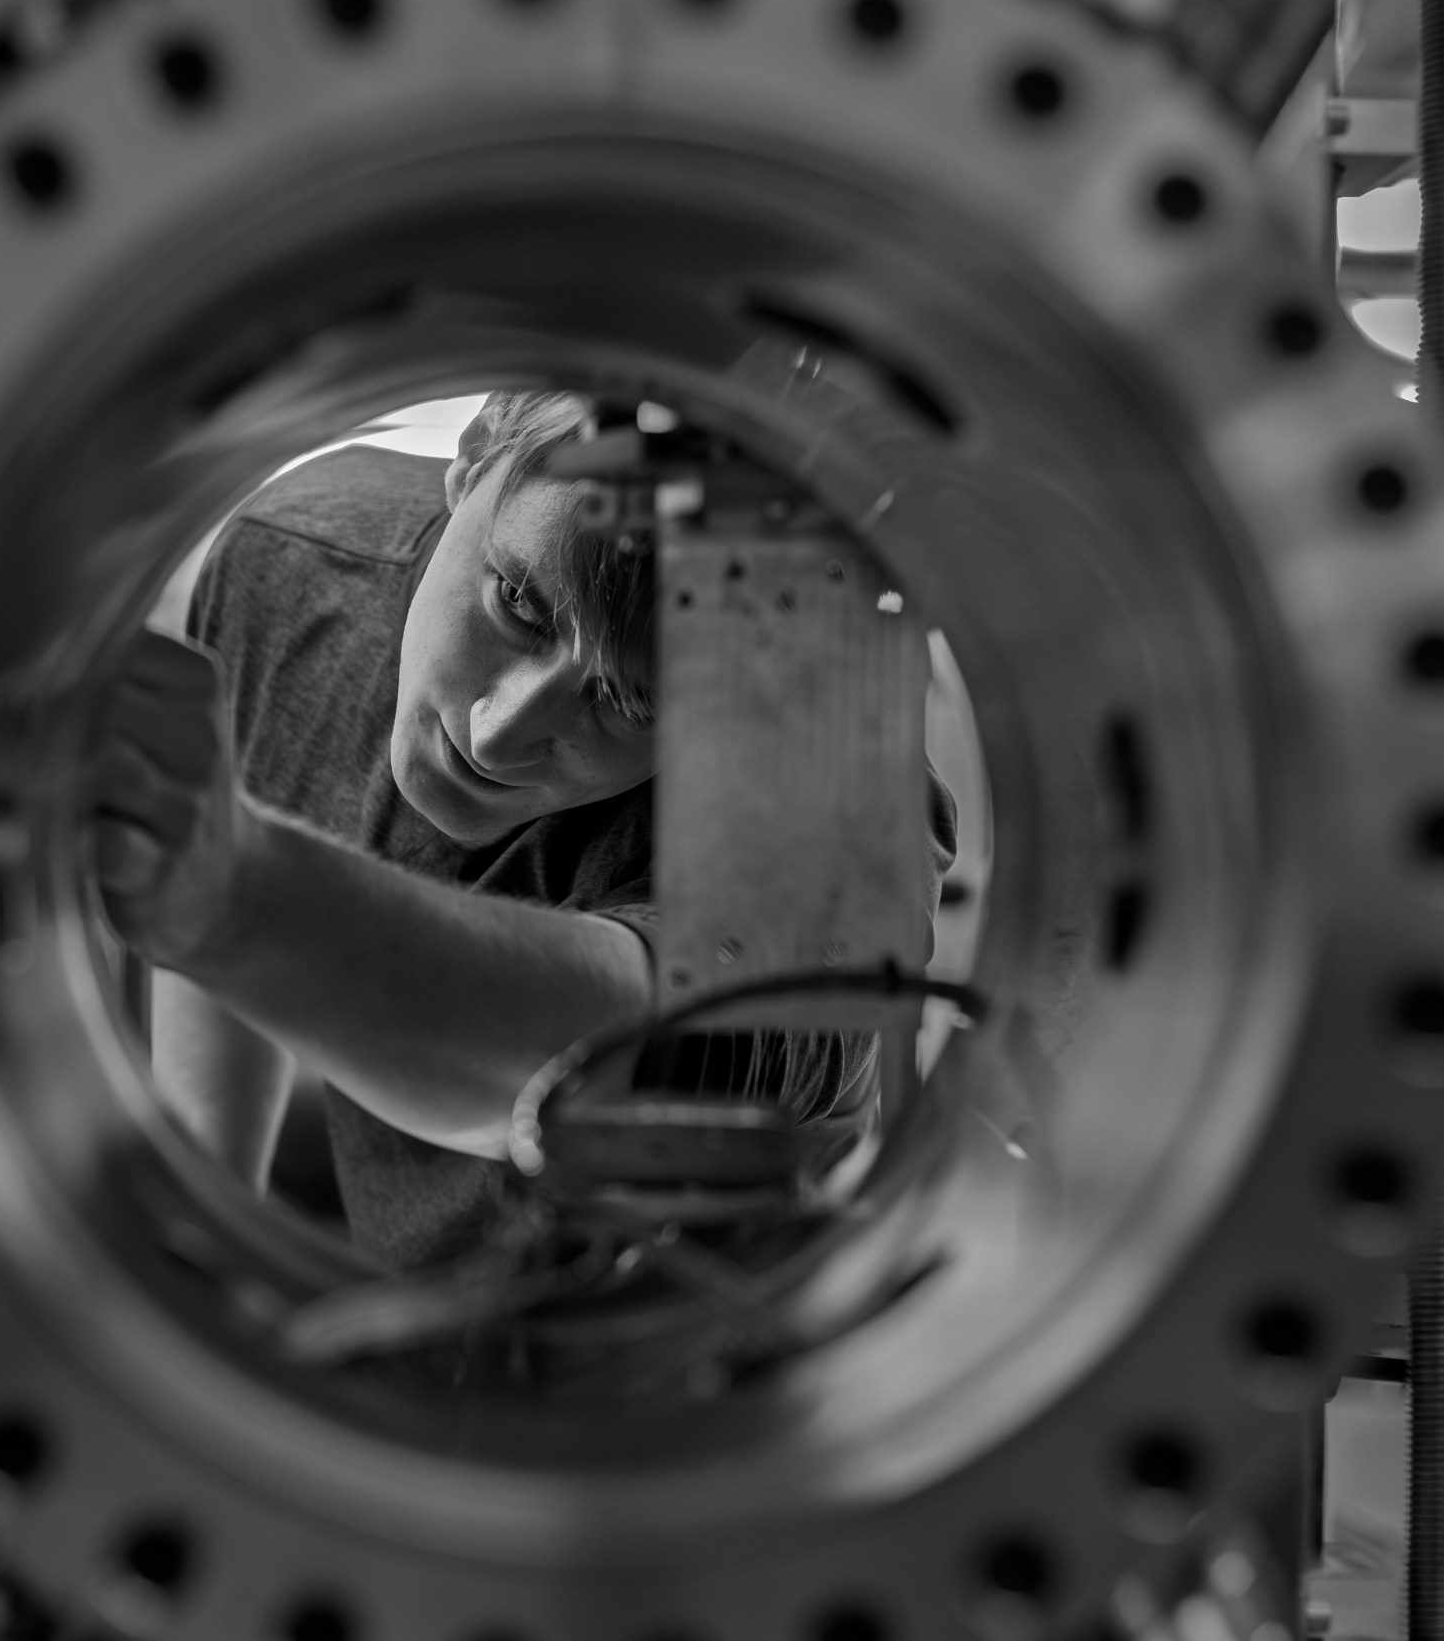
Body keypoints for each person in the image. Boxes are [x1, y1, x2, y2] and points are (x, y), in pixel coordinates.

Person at [89, 391, 955, 1271]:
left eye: (628, 701)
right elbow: (240, 816)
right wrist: (205, 1233)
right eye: (518, 603)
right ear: (472, 459)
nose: (498, 733)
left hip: (703, 1356)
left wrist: (235, 896)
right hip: (407, 1279)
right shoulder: (296, 553)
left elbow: (604, 1061)